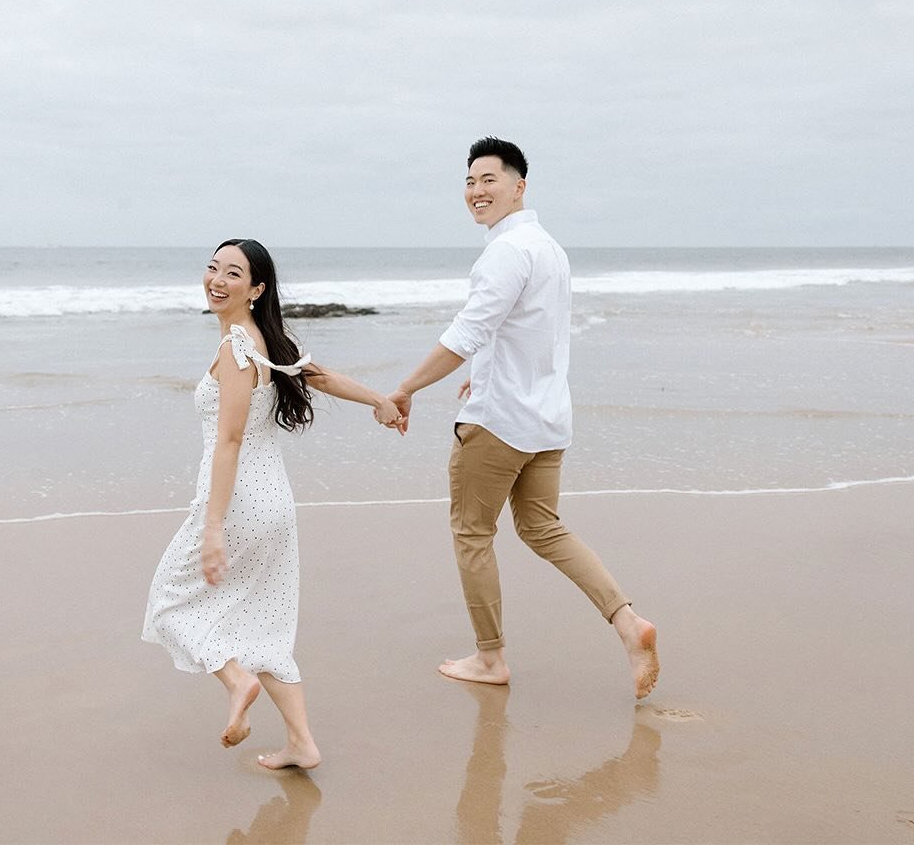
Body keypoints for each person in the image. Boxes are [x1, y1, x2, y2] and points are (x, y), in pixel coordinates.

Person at [385, 137, 660, 698]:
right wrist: (481, 369)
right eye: (469, 181)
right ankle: (628, 623)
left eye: (489, 179)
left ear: (519, 186)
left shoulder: (505, 252)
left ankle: (490, 659)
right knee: (541, 527)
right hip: (547, 421)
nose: (477, 191)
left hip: (498, 424)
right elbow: (530, 329)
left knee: (471, 535)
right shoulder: (549, 248)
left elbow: (469, 332)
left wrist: (407, 387)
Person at [143, 238, 403, 769]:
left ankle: (236, 681)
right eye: (213, 268)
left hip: (237, 502)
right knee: (266, 623)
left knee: (169, 601)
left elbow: (229, 441)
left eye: (233, 274)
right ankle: (302, 744)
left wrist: (212, 526)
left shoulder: (237, 347)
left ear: (256, 289)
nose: (217, 280)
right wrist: (380, 399)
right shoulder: (267, 340)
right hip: (274, 504)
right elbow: (322, 377)